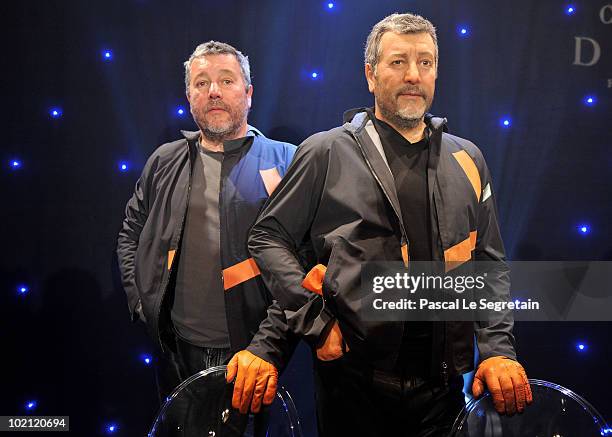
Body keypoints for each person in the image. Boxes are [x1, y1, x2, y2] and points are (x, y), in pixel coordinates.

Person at [249, 13, 531, 436]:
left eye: (426, 63)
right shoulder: (326, 151)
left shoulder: (468, 158)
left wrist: (496, 350)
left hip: (443, 391)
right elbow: (268, 237)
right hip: (354, 389)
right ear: (370, 74)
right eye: (398, 62)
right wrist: (316, 322)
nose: (414, 75)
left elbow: (489, 264)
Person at [116, 41, 297, 422]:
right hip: (177, 351)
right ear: (189, 97)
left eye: (226, 80)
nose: (213, 91)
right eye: (201, 83)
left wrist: (271, 343)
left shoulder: (289, 161)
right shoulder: (164, 161)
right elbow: (131, 232)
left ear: (248, 93)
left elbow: (307, 260)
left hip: (258, 354)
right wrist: (142, 301)